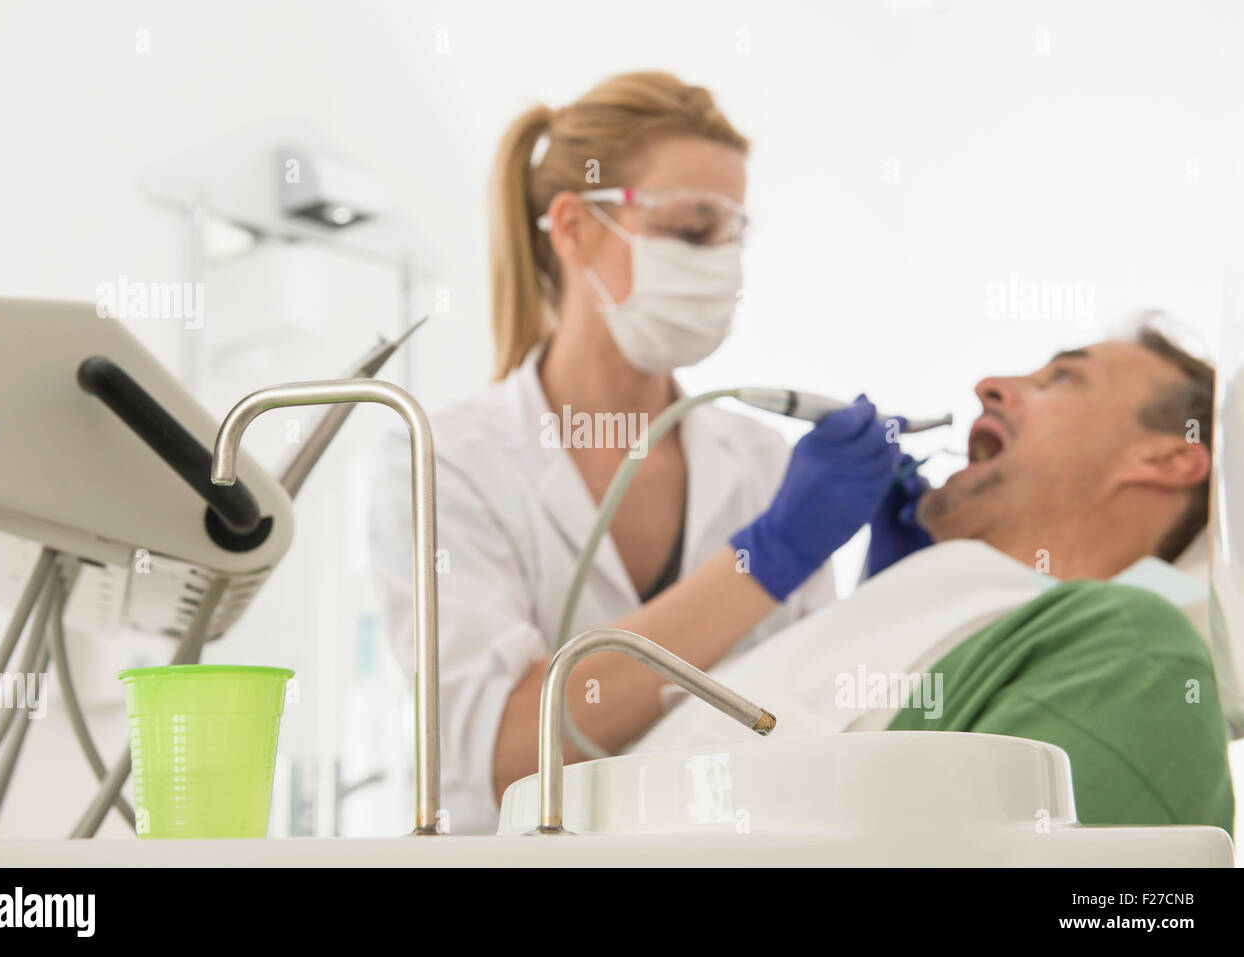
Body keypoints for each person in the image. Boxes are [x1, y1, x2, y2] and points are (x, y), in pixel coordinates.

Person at [370, 72, 902, 832]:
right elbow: (511, 748)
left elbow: (813, 725)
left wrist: (893, 587)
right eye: (692, 230)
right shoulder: (443, 461)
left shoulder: (758, 463)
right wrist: (770, 555)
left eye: (733, 234)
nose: (723, 263)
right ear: (574, 226)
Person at [635, 322, 1235, 833]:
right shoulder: (926, 626)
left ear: (1167, 458)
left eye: (1062, 379)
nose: (987, 386)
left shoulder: (1132, 656)